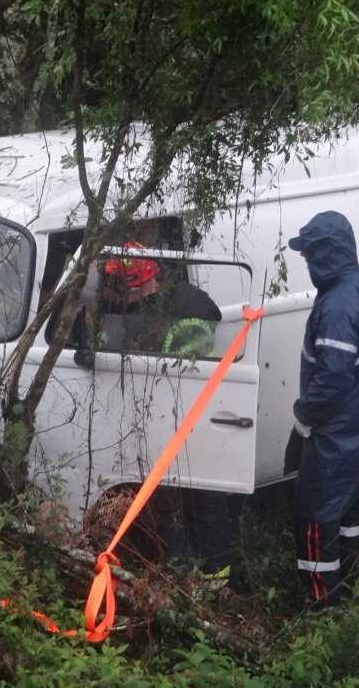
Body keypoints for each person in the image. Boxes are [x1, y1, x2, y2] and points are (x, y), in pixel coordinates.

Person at [100, 242, 233, 596]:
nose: (113, 300)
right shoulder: (139, 309)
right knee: (167, 507)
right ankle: (184, 582)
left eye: (117, 290)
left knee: (201, 502)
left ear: (140, 282)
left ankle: (211, 587)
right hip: (163, 419)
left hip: (194, 418)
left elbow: (184, 370)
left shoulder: (188, 309)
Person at [286, 211, 359, 607]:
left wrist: (305, 416)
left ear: (327, 253)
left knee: (315, 513)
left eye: (309, 254)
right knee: (348, 504)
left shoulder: (338, 306)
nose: (306, 261)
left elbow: (331, 377)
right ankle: (350, 578)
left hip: (336, 428)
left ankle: (320, 605)